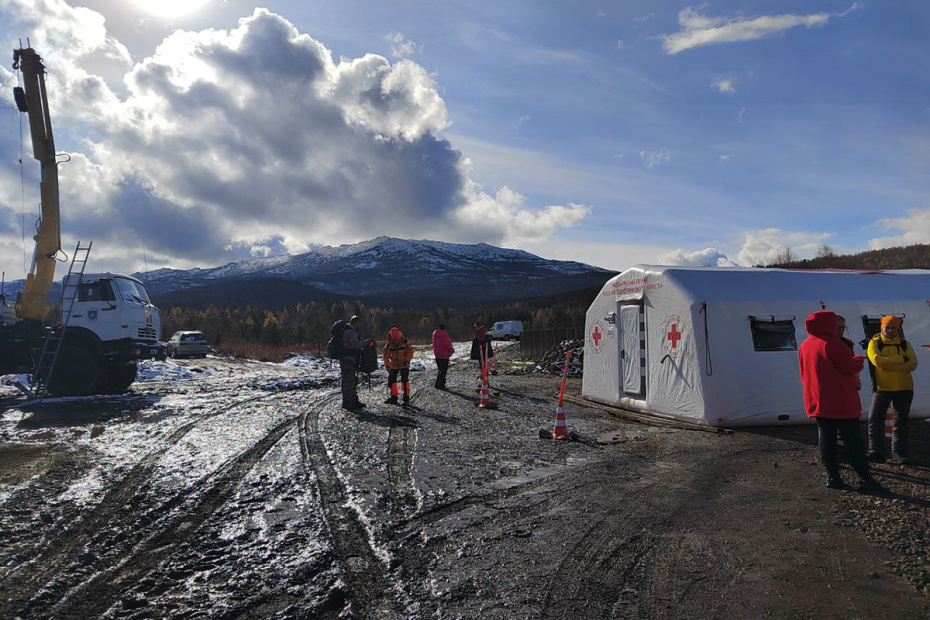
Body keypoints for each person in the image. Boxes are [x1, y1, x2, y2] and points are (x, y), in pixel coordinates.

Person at [798, 310, 875, 490]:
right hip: (840, 400)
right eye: (836, 325)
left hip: (817, 399)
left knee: (827, 439)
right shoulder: (832, 344)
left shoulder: (806, 344)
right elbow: (848, 368)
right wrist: (858, 359)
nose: (839, 329)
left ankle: (833, 477)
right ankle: (864, 477)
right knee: (853, 440)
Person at [866, 315, 918, 464]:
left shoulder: (904, 344)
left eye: (893, 327)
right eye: (887, 327)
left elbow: (913, 364)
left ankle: (899, 454)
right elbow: (876, 360)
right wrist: (902, 360)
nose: (890, 330)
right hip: (882, 388)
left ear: (898, 328)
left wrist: (887, 364)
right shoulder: (874, 343)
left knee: (900, 422)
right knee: (875, 419)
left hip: (904, 388)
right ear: (881, 328)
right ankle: (876, 451)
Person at [340, 315, 368, 410]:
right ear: (355, 323)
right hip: (347, 359)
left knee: (352, 379)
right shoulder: (350, 332)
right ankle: (347, 402)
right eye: (359, 323)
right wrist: (365, 343)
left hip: (349, 359)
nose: (359, 326)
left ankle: (353, 400)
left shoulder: (348, 331)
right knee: (348, 380)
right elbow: (356, 345)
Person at [383, 326, 414, 405]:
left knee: (405, 381)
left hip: (404, 364)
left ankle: (406, 398)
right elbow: (386, 357)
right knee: (392, 381)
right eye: (395, 340)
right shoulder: (389, 345)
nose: (396, 341)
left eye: (397, 339)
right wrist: (387, 366)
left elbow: (410, 352)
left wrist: (407, 360)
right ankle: (394, 398)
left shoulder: (405, 342)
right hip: (394, 365)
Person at [836, 315, 860, 391]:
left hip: (849, 385)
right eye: (838, 327)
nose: (841, 330)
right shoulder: (825, 344)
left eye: (843, 328)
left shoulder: (848, 343)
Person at [432, 323, 454, 389]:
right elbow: (448, 345)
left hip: (437, 355)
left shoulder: (435, 335)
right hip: (444, 355)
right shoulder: (444, 335)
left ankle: (438, 384)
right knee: (443, 371)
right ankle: (441, 385)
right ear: (445, 329)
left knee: (440, 370)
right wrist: (452, 351)